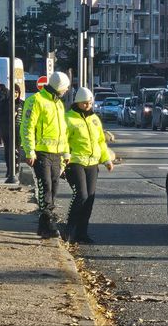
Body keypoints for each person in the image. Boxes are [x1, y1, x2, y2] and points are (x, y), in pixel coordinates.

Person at [21, 72, 70, 238]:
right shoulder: (36, 100)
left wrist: (65, 153)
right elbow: (27, 126)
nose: (67, 90)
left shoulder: (59, 104)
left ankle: (43, 227)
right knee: (45, 186)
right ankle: (49, 223)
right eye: (65, 87)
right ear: (59, 87)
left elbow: (63, 132)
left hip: (56, 154)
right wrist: (29, 151)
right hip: (41, 152)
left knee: (54, 187)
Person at [64, 87, 113, 244]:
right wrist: (65, 157)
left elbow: (100, 141)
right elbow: (63, 141)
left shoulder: (94, 119)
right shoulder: (69, 118)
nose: (88, 106)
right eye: (85, 103)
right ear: (78, 102)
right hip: (75, 161)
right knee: (81, 195)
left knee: (89, 198)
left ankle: (82, 233)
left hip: (92, 163)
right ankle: (69, 231)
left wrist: (106, 160)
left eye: (90, 103)